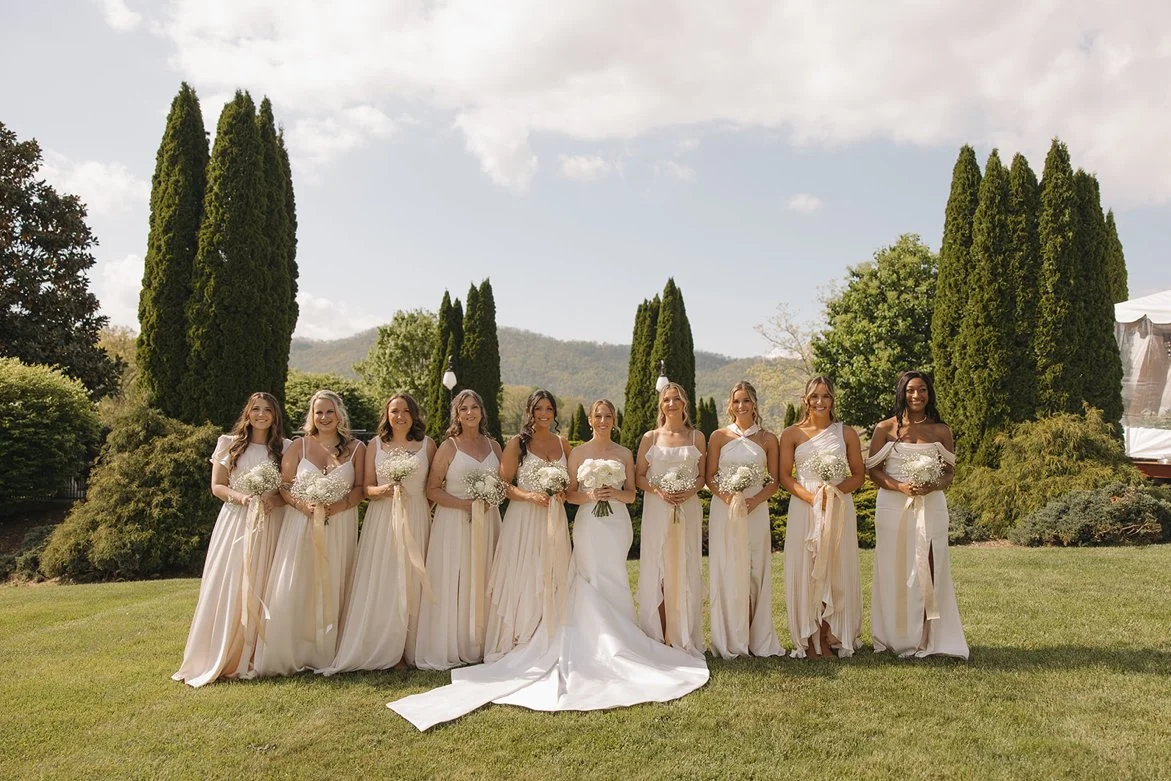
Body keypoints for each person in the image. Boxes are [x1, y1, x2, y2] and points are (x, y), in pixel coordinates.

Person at [388, 399, 708, 731]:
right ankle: (529, 636)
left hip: (614, 526)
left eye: (608, 415)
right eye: (597, 415)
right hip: (568, 522)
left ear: (613, 420)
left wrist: (610, 492)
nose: (602, 419)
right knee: (577, 576)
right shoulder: (555, 448)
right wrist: (584, 495)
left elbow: (630, 494)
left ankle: (619, 636)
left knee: (608, 577)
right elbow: (564, 492)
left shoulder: (607, 450)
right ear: (588, 419)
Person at [173, 392, 289, 686]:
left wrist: (271, 502)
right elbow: (217, 486)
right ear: (247, 413)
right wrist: (243, 498)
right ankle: (222, 652)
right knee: (230, 581)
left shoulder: (285, 448)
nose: (261, 415)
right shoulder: (229, 443)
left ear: (275, 416)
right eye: (255, 409)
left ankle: (256, 654)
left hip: (270, 523)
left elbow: (288, 492)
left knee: (265, 583)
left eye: (267, 410)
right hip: (236, 522)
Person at [250, 390, 364, 676]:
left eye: (329, 411)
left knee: (332, 582)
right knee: (296, 583)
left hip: (339, 525)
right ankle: (290, 650)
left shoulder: (358, 448)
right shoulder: (299, 446)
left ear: (339, 414)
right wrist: (305, 507)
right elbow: (286, 485)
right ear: (311, 416)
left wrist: (338, 506)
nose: (324, 417)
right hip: (299, 525)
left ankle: (326, 651)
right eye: (318, 412)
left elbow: (361, 488)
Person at [321, 393, 435, 674]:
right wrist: (382, 491)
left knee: (414, 578)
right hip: (382, 520)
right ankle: (384, 647)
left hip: (417, 518)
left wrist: (418, 507)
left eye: (406, 410)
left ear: (414, 414)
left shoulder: (428, 445)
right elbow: (366, 488)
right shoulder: (376, 445)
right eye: (394, 411)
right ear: (387, 415)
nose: (400, 416)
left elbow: (432, 487)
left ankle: (411, 648)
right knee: (385, 578)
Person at [866, 371, 969, 659]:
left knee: (931, 565)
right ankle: (895, 635)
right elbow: (872, 470)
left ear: (929, 393)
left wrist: (932, 485)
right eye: (911, 390)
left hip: (932, 505)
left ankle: (930, 636)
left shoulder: (941, 431)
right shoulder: (885, 429)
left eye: (922, 390)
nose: (916, 396)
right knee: (894, 567)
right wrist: (900, 486)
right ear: (901, 393)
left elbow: (949, 473)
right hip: (892, 506)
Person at [413, 389, 503, 670]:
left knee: (485, 577)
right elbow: (432, 489)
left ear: (481, 411)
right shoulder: (449, 446)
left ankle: (481, 642)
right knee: (454, 579)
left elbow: (503, 486)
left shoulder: (494, 446)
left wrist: (491, 499)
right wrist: (464, 505)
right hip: (453, 524)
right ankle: (451, 643)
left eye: (474, 407)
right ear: (457, 414)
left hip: (488, 522)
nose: (469, 413)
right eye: (463, 409)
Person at [779, 376, 865, 659]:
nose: (820, 401)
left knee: (835, 568)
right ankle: (810, 636)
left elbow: (858, 475)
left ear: (832, 400)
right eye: (814, 396)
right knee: (807, 568)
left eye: (825, 396)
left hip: (838, 506)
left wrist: (834, 494)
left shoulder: (846, 433)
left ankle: (831, 635)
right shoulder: (791, 434)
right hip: (805, 507)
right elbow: (783, 477)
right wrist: (814, 498)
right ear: (805, 399)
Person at [484, 390, 572, 662]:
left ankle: (549, 634)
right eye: (539, 409)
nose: (544, 414)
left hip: (553, 520)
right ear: (530, 411)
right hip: (523, 520)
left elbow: (571, 484)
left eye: (549, 408)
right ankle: (519, 635)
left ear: (554, 413)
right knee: (525, 574)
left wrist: (562, 493)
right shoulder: (516, 444)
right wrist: (529, 496)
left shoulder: (563, 445)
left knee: (552, 574)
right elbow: (502, 485)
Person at [705, 381, 784, 659]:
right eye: (737, 401)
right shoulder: (718, 437)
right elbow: (709, 476)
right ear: (730, 405)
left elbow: (774, 481)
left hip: (756, 509)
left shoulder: (768, 439)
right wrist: (729, 498)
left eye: (747, 401)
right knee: (727, 567)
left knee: (755, 569)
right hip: (725, 510)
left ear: (755, 404)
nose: (741, 406)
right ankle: (729, 637)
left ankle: (757, 637)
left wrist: (753, 500)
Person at [635, 382, 707, 657]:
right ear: (661, 404)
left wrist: (689, 490)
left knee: (684, 566)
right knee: (659, 568)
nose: (672, 404)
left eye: (677, 399)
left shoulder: (696, 437)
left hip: (687, 507)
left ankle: (682, 634)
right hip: (657, 508)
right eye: (667, 399)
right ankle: (659, 634)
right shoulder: (650, 438)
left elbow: (702, 475)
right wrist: (659, 491)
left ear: (684, 403)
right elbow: (640, 476)